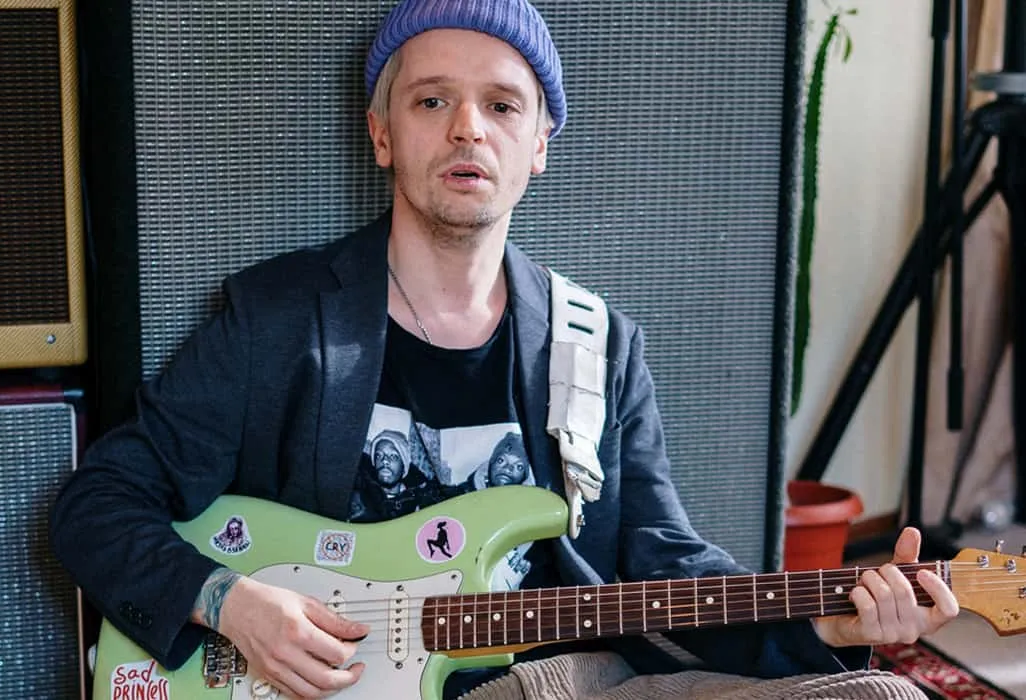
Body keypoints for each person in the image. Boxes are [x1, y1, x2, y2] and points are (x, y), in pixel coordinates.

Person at [49, 0, 960, 698]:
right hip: (338, 685)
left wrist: (827, 626)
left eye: (501, 104)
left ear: (538, 147)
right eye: (432, 99)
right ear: (381, 134)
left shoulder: (596, 345)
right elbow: (98, 505)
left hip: (556, 681)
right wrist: (229, 603)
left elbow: (664, 563)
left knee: (881, 691)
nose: (466, 128)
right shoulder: (278, 318)